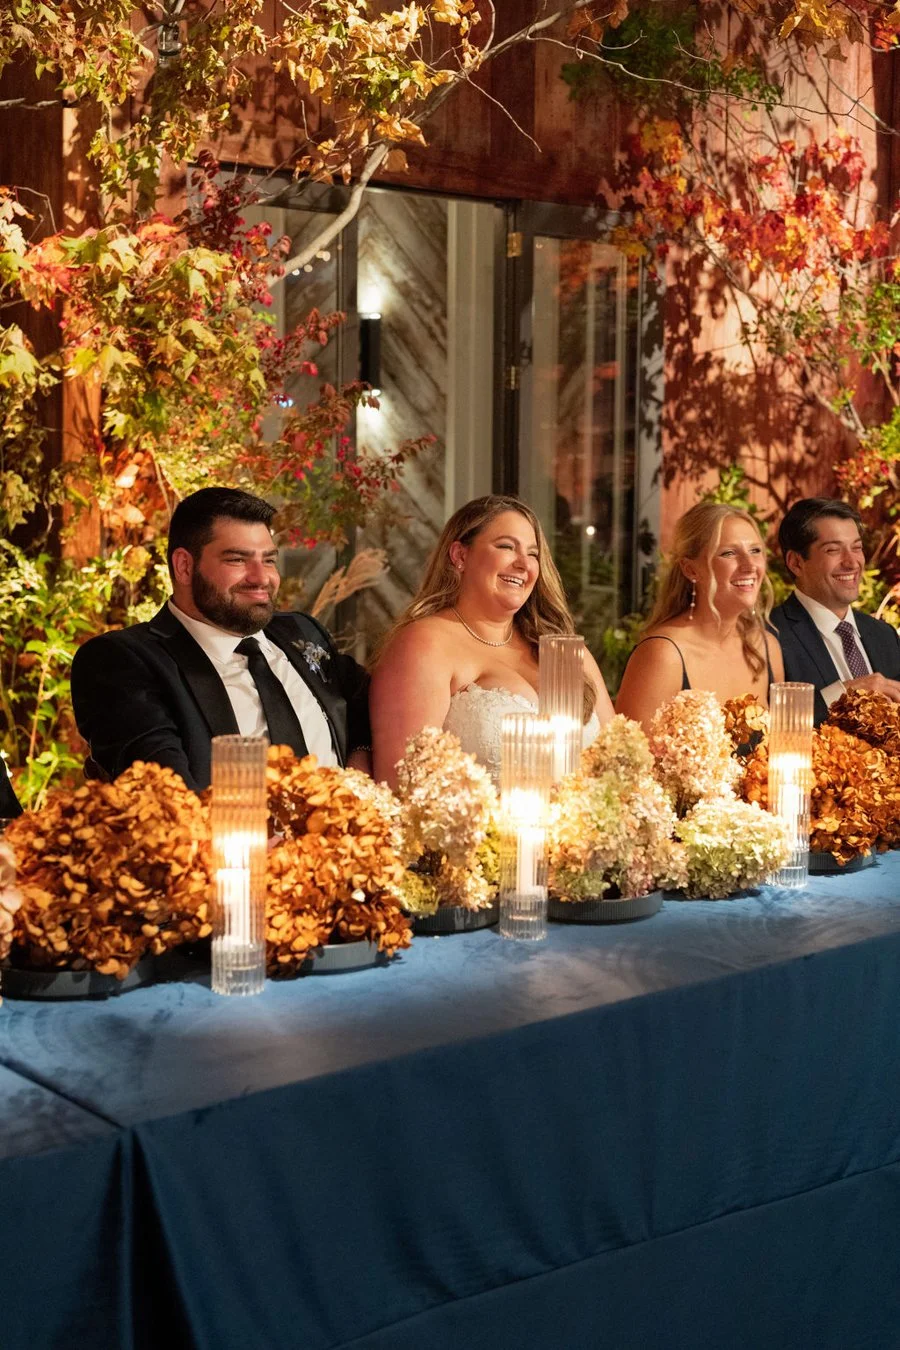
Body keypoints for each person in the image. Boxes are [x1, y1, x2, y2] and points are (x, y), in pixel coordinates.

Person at [71, 487, 372, 793]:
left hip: (347, 836)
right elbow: (169, 797)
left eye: (268, 560)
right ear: (184, 566)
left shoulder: (301, 632)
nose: (261, 577)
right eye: (238, 560)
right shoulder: (123, 662)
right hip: (224, 838)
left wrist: (359, 762)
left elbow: (371, 702)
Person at [370, 494, 614, 788]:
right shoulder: (425, 643)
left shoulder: (564, 650)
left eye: (534, 554)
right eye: (506, 547)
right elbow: (400, 784)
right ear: (460, 556)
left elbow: (619, 757)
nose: (524, 563)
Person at [615, 502, 784, 730]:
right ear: (690, 569)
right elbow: (628, 761)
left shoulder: (766, 647)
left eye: (755, 551)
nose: (749, 565)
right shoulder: (663, 655)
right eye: (729, 553)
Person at [771, 497, 900, 724]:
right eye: (833, 550)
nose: (852, 562)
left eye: (857, 548)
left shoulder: (885, 635)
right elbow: (767, 724)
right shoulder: (770, 635)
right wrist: (842, 694)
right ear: (796, 563)